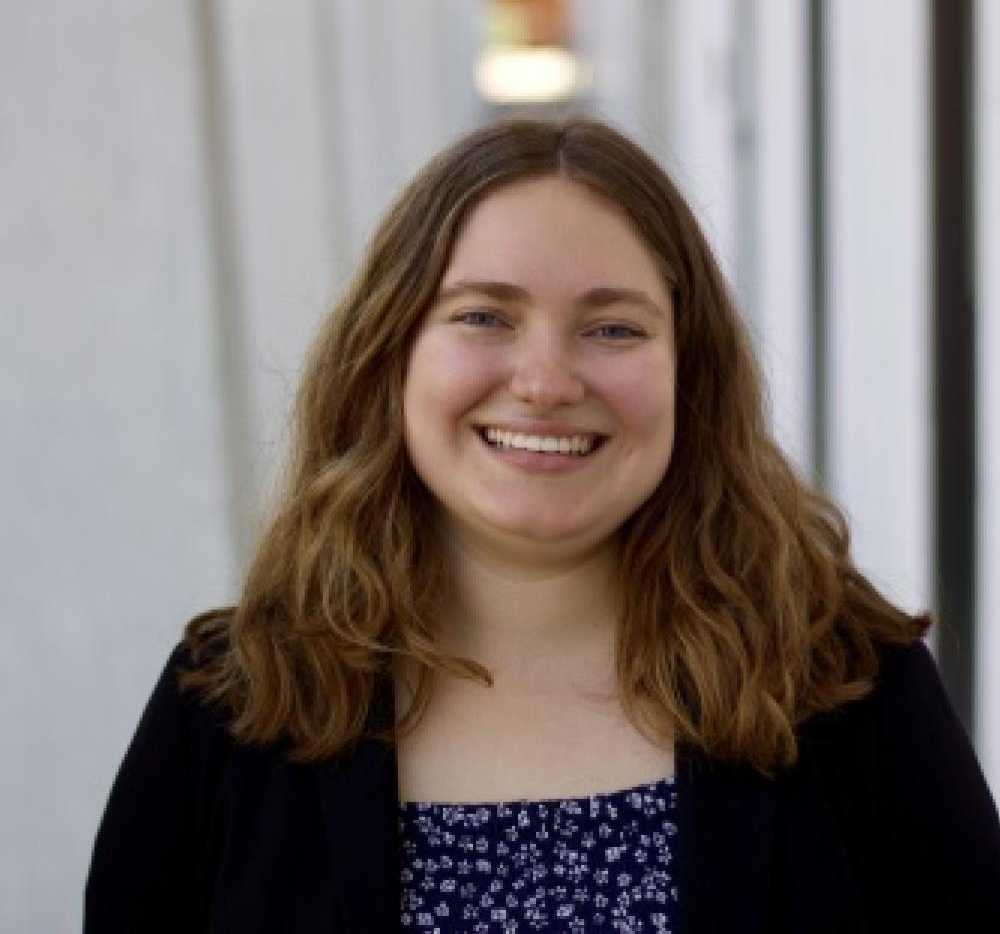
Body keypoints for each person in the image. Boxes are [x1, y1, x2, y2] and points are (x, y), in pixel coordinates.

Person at [85, 118, 1000, 933]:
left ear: (693, 374)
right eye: (484, 316)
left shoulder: (846, 689)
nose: (547, 381)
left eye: (613, 329)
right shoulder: (230, 710)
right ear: (390, 357)